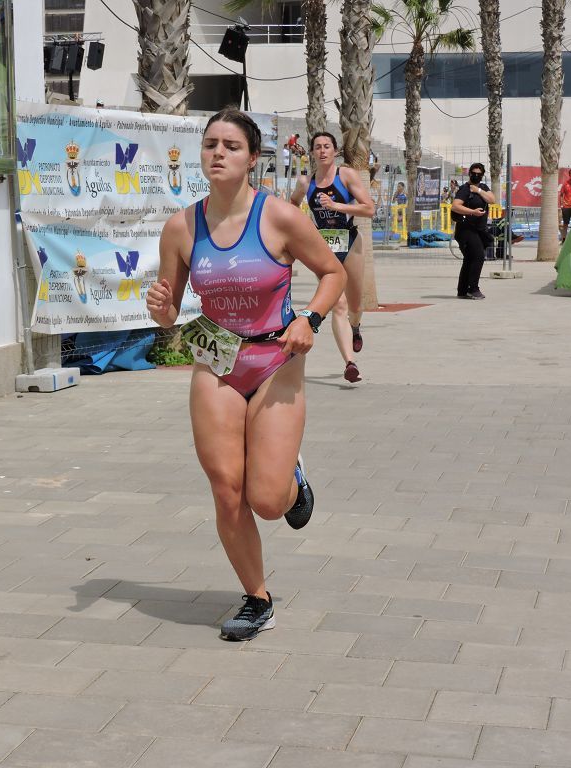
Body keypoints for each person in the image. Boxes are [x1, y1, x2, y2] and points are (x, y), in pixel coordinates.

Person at [146, 109, 345, 641]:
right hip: (215, 362)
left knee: (266, 500)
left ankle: (291, 479)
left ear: (253, 158)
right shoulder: (181, 227)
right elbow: (167, 312)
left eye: (231, 146)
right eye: (210, 143)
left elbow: (333, 272)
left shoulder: (279, 217)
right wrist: (161, 306)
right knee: (226, 489)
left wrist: (312, 318)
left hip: (276, 361)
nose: (218, 153)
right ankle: (257, 598)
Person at [290, 132, 375, 383]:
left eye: (327, 146)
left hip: (349, 240)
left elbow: (369, 209)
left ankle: (356, 326)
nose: (322, 151)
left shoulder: (346, 175)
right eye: (318, 147)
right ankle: (350, 363)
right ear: (312, 153)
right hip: (324, 245)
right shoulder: (305, 183)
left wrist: (338, 206)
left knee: (355, 305)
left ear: (335, 151)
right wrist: (302, 227)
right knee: (337, 304)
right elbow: (291, 206)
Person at [451, 162, 496, 300]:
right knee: (478, 257)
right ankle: (473, 289)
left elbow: (492, 200)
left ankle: (462, 290)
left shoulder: (482, 187)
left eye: (479, 174)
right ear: (469, 173)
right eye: (473, 173)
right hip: (466, 229)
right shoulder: (465, 189)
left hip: (479, 230)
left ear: (482, 175)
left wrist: (478, 191)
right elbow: (455, 206)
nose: (476, 176)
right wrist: (472, 212)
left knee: (469, 259)